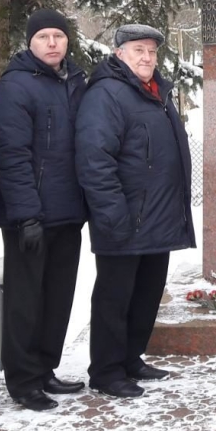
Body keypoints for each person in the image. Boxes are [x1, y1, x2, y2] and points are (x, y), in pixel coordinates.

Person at [77, 23, 195, 398]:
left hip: (157, 216)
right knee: (115, 297)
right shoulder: (107, 94)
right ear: (119, 54)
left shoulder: (156, 92)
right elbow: (95, 160)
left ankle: (130, 358)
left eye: (151, 51)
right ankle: (106, 370)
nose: (146, 57)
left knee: (145, 294)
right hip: (124, 217)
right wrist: (112, 214)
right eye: (138, 50)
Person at [0, 9, 89, 411]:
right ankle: (23, 380)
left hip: (68, 211)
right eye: (43, 36)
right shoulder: (14, 87)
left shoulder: (76, 81)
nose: (52, 43)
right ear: (30, 42)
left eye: (58, 36)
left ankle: (45, 368)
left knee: (57, 298)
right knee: (25, 301)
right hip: (29, 216)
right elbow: (12, 156)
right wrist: (26, 215)